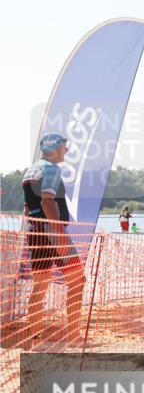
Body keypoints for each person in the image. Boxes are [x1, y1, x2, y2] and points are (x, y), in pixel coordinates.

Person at [21, 133, 85, 344]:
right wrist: (60, 233)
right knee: (77, 281)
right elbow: (47, 202)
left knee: (40, 285)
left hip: (35, 231)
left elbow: (27, 207)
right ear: (55, 148)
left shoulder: (31, 170)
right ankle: (73, 335)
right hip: (51, 231)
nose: (67, 151)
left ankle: (35, 336)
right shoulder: (51, 169)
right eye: (65, 147)